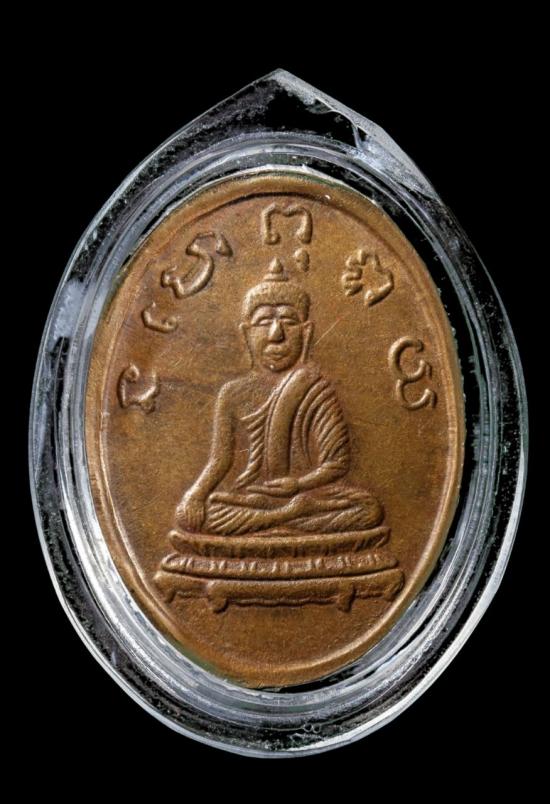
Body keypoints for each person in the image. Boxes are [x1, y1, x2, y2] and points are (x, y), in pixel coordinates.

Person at [176, 259, 383, 536]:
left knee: (368, 509)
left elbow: (336, 464)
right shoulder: (233, 393)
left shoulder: (316, 387)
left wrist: (298, 485)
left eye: (288, 321)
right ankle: (288, 516)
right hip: (254, 498)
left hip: (308, 494)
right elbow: (220, 461)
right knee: (195, 517)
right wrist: (195, 494)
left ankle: (283, 516)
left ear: (306, 332)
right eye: (264, 322)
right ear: (246, 333)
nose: (276, 334)